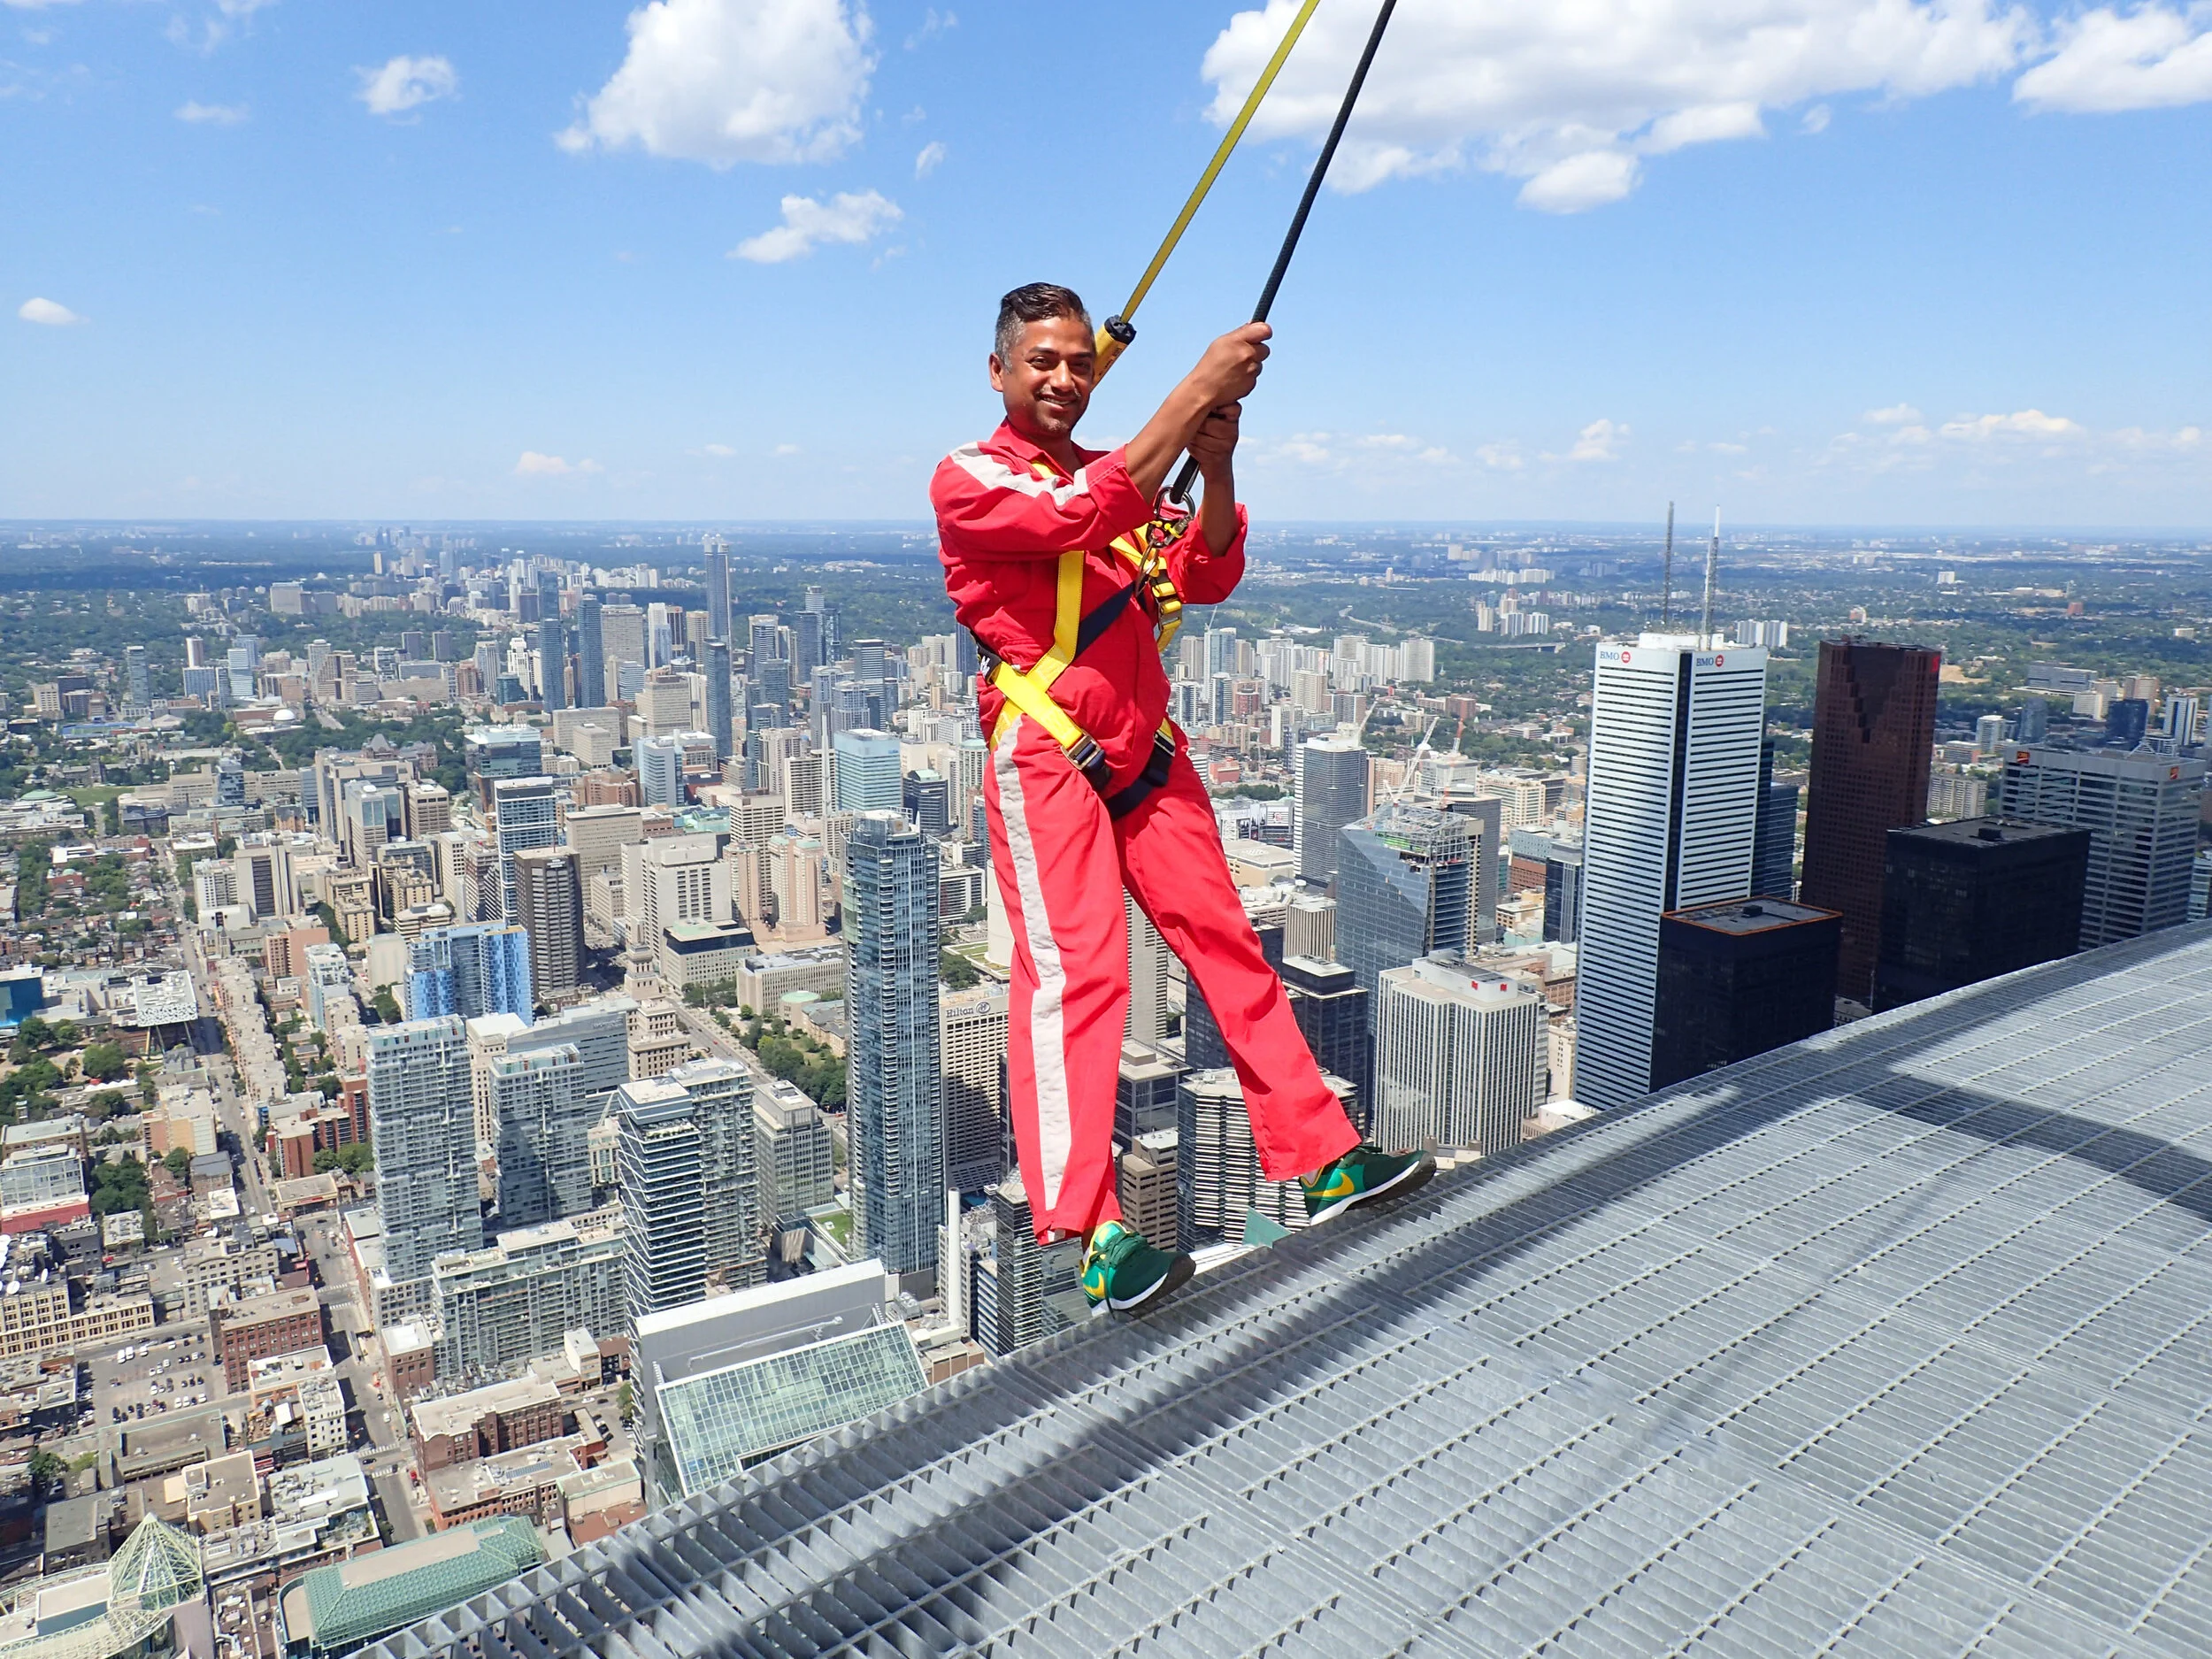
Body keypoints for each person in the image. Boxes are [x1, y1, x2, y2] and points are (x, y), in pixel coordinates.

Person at [932, 282, 1434, 1316]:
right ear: (1000, 372)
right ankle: (1098, 1233)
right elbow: (1081, 512)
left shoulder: (1131, 473)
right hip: (1049, 750)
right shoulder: (970, 479)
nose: (1064, 378)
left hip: (1145, 747)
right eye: (1043, 362)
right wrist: (1193, 387)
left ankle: (1321, 1154)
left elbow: (1201, 574)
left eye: (1077, 361)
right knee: (1078, 980)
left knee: (1230, 945)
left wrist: (1216, 458)